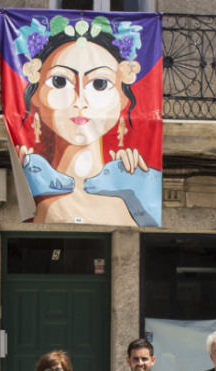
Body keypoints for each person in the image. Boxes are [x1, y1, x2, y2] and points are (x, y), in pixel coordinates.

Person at [11, 14, 162, 226]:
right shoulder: (33, 175)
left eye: (99, 84)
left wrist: (136, 180)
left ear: (122, 98)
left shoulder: (133, 183)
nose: (80, 101)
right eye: (59, 81)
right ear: (36, 94)